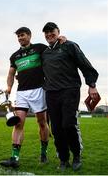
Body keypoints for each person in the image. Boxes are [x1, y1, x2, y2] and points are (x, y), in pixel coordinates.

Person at [0, 27, 66, 168]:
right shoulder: (14, 56)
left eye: (22, 35)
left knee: (42, 123)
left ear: (29, 35)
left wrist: (62, 40)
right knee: (18, 123)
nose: (20, 38)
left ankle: (43, 153)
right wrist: (9, 87)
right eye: (18, 36)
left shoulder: (40, 48)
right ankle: (14, 158)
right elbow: (11, 74)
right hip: (22, 93)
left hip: (39, 90)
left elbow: (54, 49)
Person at [41, 22, 99, 171]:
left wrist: (92, 85)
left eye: (51, 31)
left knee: (68, 124)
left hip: (69, 90)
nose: (49, 35)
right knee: (56, 128)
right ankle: (63, 159)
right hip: (51, 93)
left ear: (58, 31)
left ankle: (77, 156)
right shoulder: (45, 53)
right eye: (46, 33)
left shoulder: (69, 45)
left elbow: (84, 64)